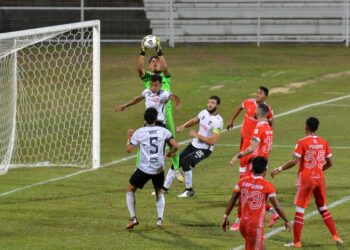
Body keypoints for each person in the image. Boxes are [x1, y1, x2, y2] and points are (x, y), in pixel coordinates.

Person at [270, 117, 343, 248]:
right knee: (323, 208)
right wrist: (319, 170)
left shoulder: (302, 142)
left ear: (306, 127)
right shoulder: (324, 142)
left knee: (299, 210)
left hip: (306, 179)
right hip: (319, 178)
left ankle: (297, 242)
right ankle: (336, 236)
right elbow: (330, 163)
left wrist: (279, 169)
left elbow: (294, 161)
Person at [125, 108, 179, 229]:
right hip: (159, 168)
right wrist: (172, 152)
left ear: (145, 119)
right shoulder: (163, 131)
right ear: (156, 119)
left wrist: (129, 137)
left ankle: (133, 218)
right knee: (159, 191)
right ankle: (160, 220)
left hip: (144, 169)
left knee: (130, 189)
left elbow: (128, 150)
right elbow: (176, 145)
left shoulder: (139, 132)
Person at [221, 157, 291, 250]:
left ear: (252, 168)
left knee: (259, 246)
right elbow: (277, 206)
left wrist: (225, 216)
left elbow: (233, 199)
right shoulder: (268, 186)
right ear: (265, 170)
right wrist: (286, 220)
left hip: (243, 225)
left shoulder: (241, 182)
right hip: (255, 226)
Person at [138, 37, 183, 182]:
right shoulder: (148, 78)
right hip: (150, 116)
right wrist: (143, 51)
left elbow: (165, 67)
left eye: (157, 60)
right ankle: (140, 166)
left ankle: (176, 168)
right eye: (152, 61)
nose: (155, 62)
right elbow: (140, 69)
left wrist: (159, 50)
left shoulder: (165, 76)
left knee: (171, 140)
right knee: (145, 141)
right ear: (149, 67)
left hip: (166, 112)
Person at [229, 103, 279, 230]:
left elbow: (252, 147)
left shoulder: (258, 128)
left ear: (257, 113)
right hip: (264, 163)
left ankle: (239, 221)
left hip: (256, 164)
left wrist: (237, 156)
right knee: (255, 192)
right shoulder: (269, 128)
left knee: (243, 190)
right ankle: (272, 213)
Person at [162, 96, 223, 198]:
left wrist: (197, 135)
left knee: (186, 162)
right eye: (208, 102)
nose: (209, 104)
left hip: (205, 149)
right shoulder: (203, 112)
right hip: (194, 144)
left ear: (217, 105)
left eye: (212, 103)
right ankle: (164, 189)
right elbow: (195, 120)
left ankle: (189, 190)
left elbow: (213, 141)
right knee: (177, 162)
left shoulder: (218, 121)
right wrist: (183, 126)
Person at [115, 74, 180, 128]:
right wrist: (124, 106)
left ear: (160, 85)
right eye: (151, 85)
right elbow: (137, 99)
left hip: (159, 123)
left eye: (155, 85)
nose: (153, 87)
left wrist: (177, 104)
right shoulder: (147, 91)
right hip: (147, 123)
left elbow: (174, 97)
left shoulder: (164, 94)